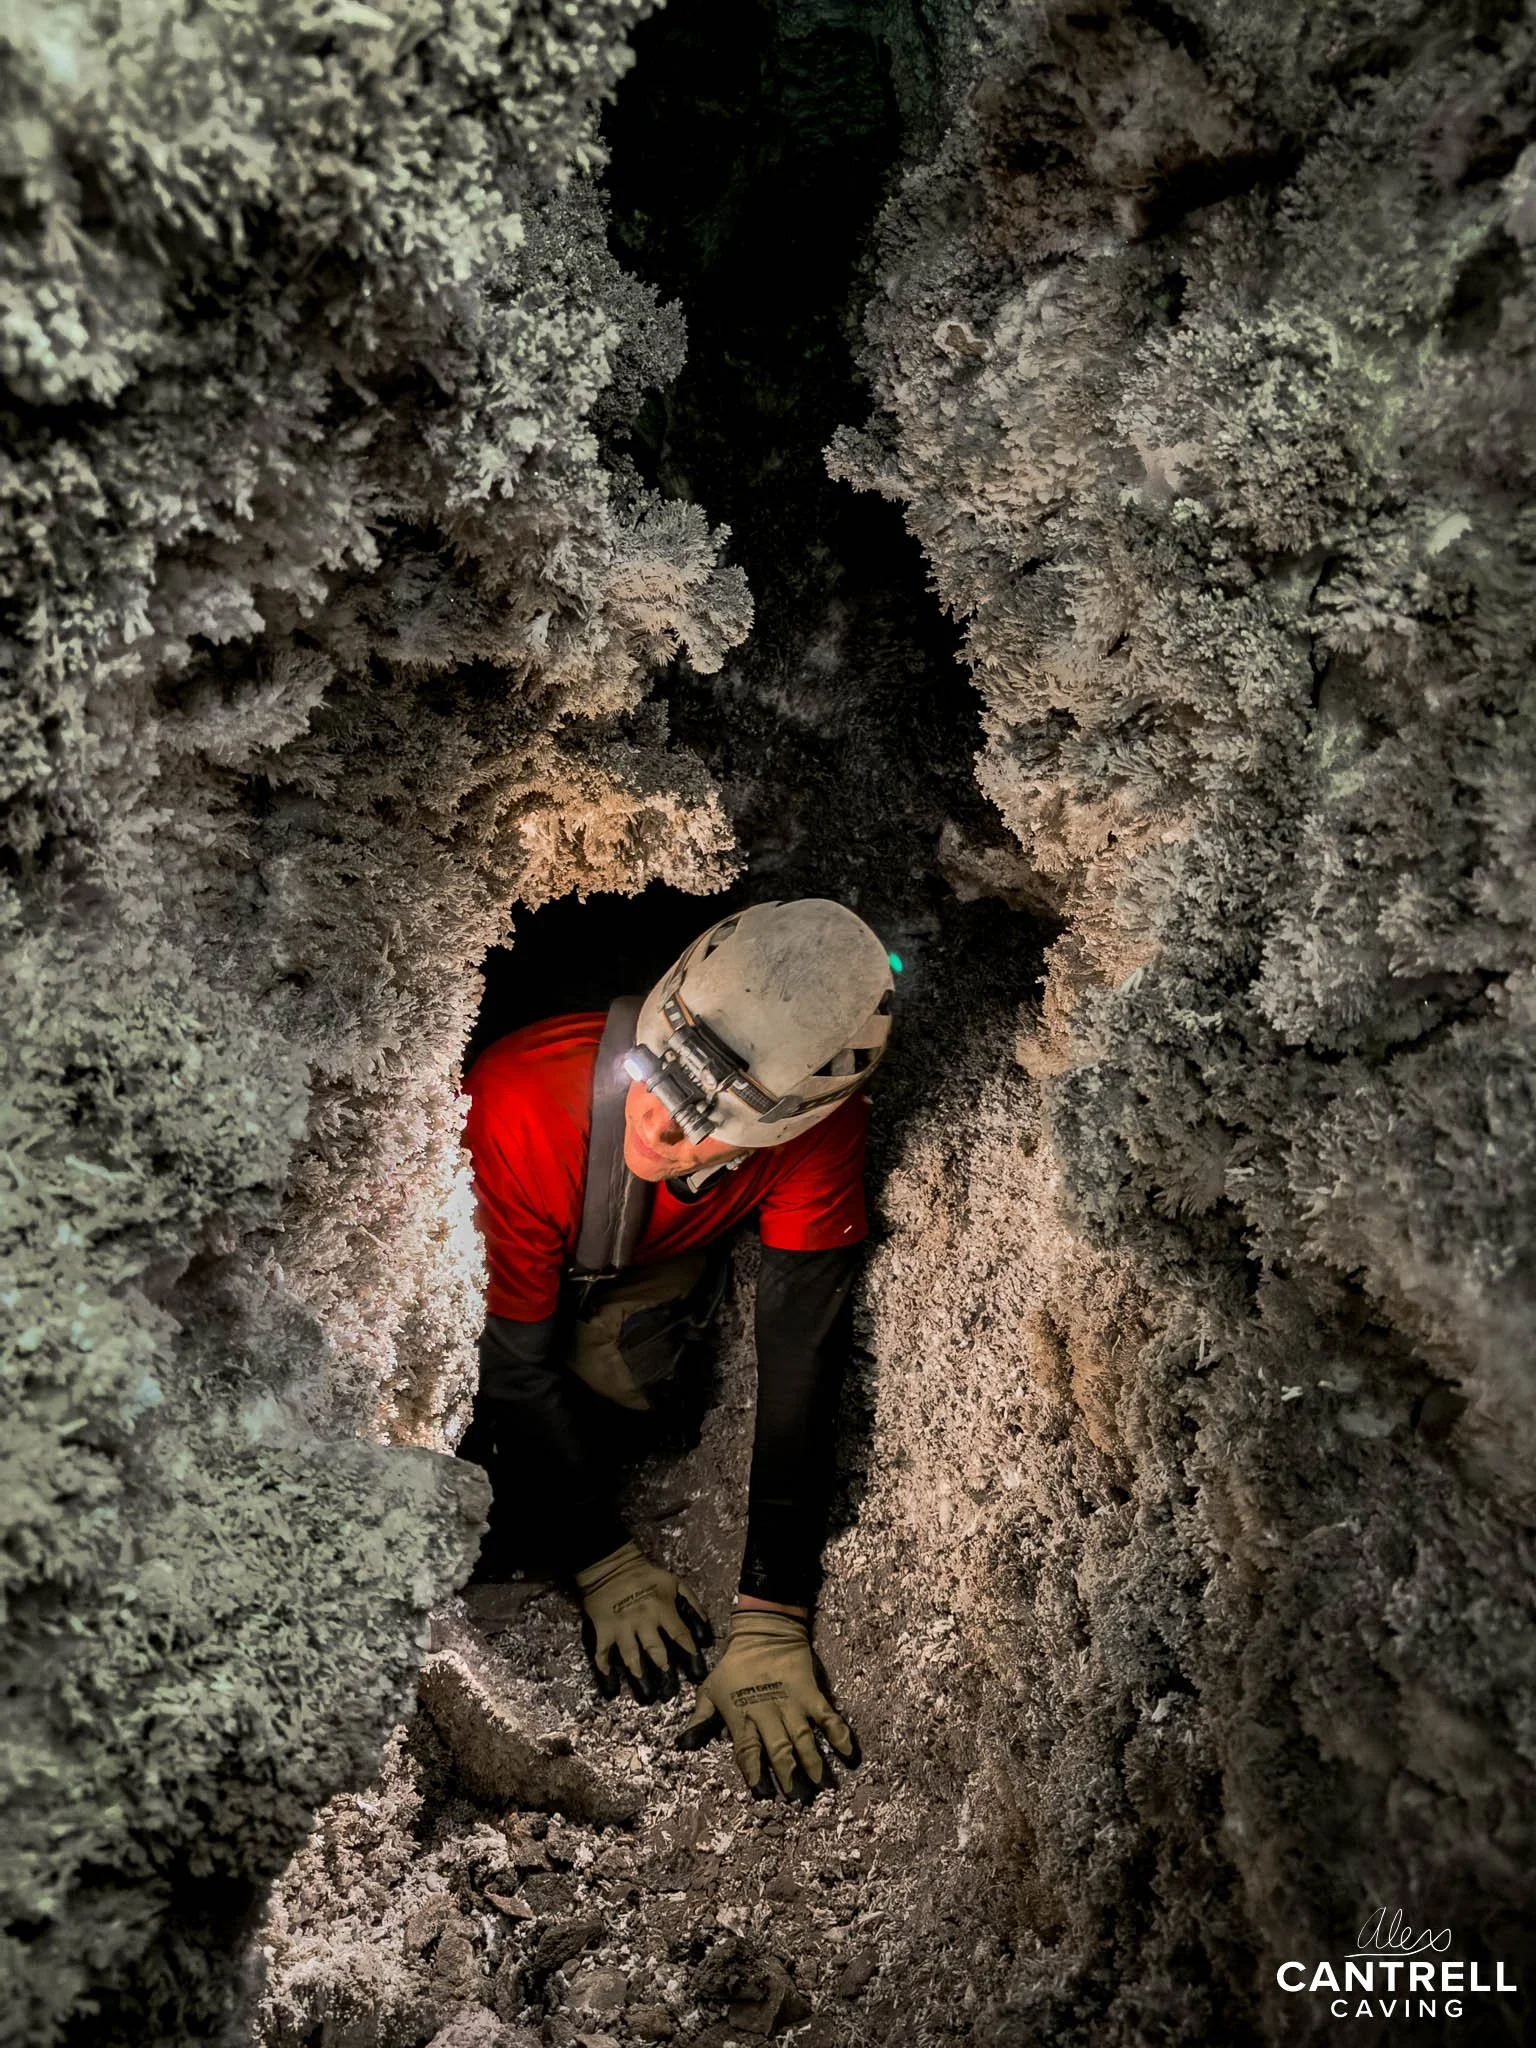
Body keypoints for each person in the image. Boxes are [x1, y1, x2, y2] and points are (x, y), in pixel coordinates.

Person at [457, 898, 893, 1802]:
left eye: (712, 1116)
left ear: (795, 1113)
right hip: (537, 1247)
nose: (659, 1127)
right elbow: (508, 1364)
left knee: (645, 1393)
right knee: (514, 1421)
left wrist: (774, 1615)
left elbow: (800, 1350)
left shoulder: (818, 1128)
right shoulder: (519, 1102)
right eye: (656, 1074)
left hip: (644, 1254)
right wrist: (599, 1559)